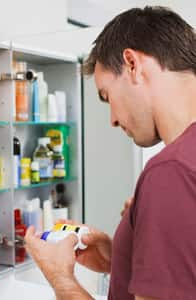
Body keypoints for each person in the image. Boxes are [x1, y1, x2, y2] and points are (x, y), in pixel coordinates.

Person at [25, 6, 196, 300]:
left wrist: (61, 279)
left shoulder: (171, 171)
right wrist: (122, 260)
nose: (113, 119)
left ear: (132, 64)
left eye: (107, 96)